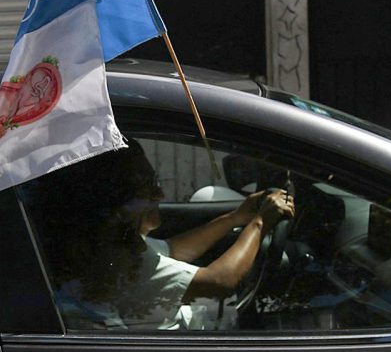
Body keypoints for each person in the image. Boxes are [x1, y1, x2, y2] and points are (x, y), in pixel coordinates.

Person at [22, 141, 294, 330]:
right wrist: (260, 224)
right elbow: (219, 282)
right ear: (117, 206)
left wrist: (235, 218)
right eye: (149, 188)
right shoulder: (117, 263)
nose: (160, 195)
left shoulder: (108, 244)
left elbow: (172, 250)